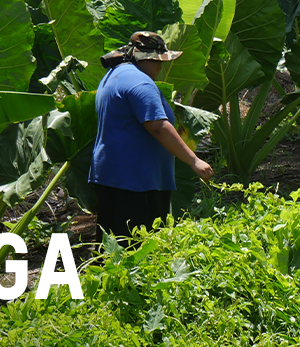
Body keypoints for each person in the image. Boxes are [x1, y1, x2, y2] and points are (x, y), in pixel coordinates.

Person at [89, 31, 214, 237]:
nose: (160, 66)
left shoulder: (114, 75)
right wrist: (194, 161)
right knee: (140, 249)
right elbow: (158, 127)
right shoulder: (140, 82)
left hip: (111, 176)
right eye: (159, 61)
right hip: (137, 182)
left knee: (113, 247)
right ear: (146, 58)